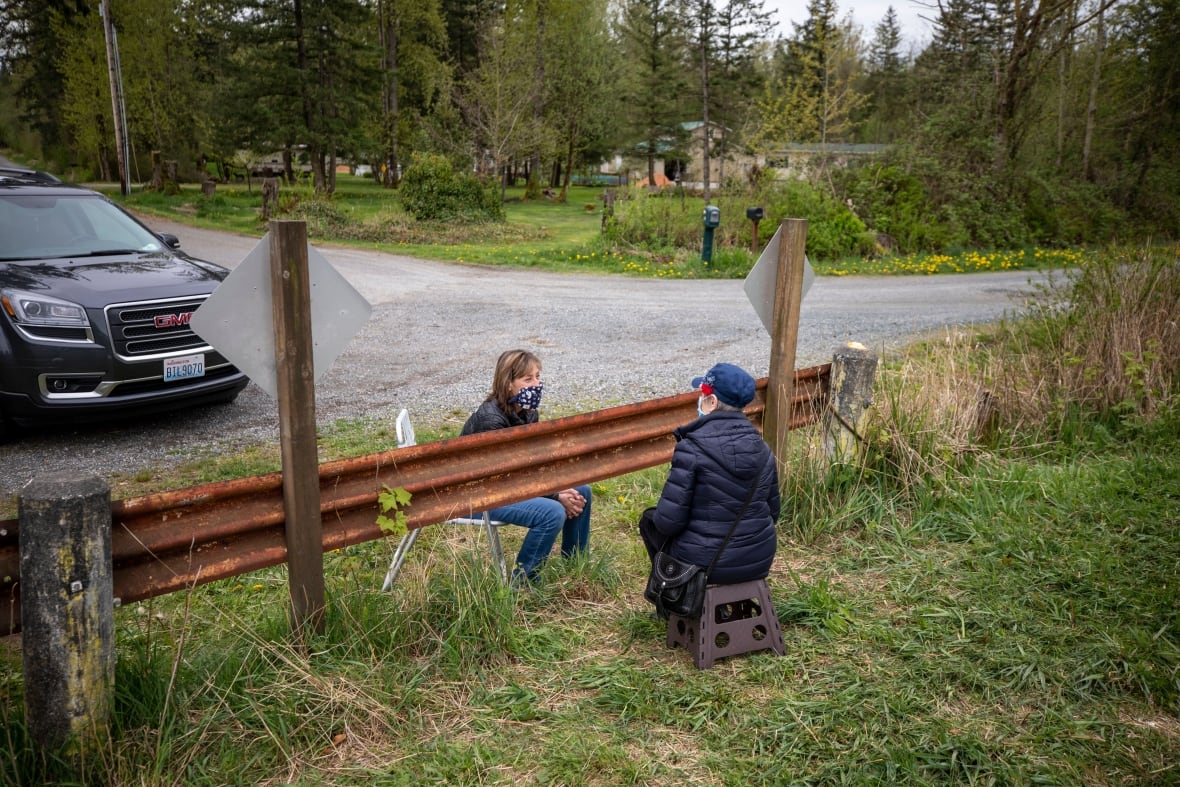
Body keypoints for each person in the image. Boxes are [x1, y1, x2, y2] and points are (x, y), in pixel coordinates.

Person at [640, 362, 780, 605]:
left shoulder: (691, 449)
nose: (699, 401)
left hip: (706, 564)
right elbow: (774, 512)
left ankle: (673, 600)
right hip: (758, 559)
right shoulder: (763, 449)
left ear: (712, 402)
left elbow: (668, 523)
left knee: (649, 521)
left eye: (702, 396)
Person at [461, 349, 592, 586]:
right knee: (552, 513)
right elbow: (506, 478)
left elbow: (532, 464)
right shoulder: (491, 420)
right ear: (508, 383)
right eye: (527, 379)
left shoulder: (528, 413)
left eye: (538, 376)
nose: (536, 384)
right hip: (478, 494)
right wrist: (555, 495)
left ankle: (575, 567)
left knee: (582, 490)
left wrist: (559, 488)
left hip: (506, 486)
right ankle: (524, 583)